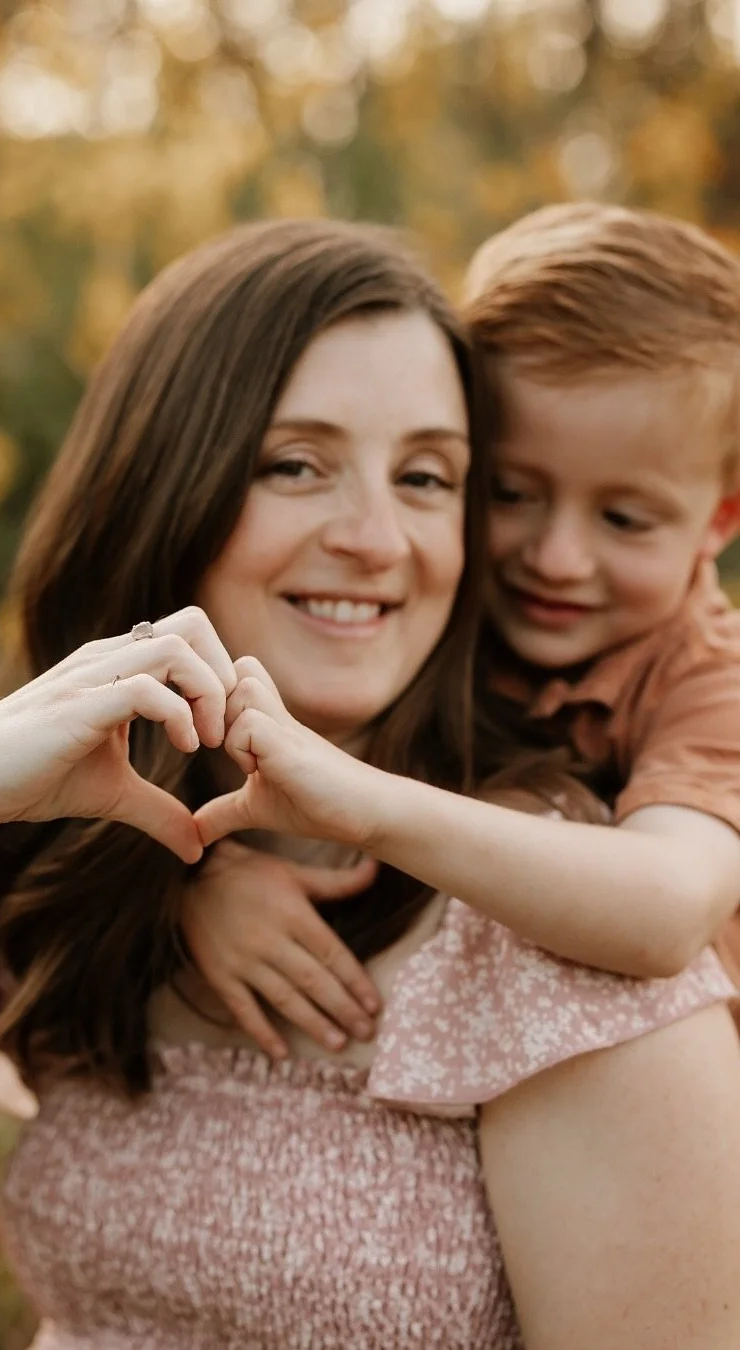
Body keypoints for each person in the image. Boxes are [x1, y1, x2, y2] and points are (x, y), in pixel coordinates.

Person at [0, 219, 739, 1350]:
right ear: (166, 486)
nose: (376, 537)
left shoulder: (552, 919)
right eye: (295, 464)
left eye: (426, 477)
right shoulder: (93, 859)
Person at [187, 203, 740, 1060]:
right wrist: (198, 879)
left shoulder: (713, 682)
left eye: (625, 519)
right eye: (510, 493)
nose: (556, 559)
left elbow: (667, 910)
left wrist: (364, 805)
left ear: (718, 523)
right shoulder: (425, 599)